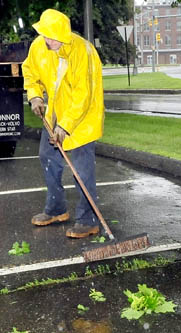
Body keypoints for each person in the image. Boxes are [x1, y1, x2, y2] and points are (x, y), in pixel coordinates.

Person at [22, 9, 105, 239]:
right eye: (46, 35)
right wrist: (35, 95)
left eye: (53, 37)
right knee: (48, 157)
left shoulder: (82, 51)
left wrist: (65, 127)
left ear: (64, 35)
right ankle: (57, 209)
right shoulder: (39, 47)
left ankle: (88, 220)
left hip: (82, 119)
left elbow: (83, 96)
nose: (49, 41)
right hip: (55, 114)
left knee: (81, 171)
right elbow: (29, 72)